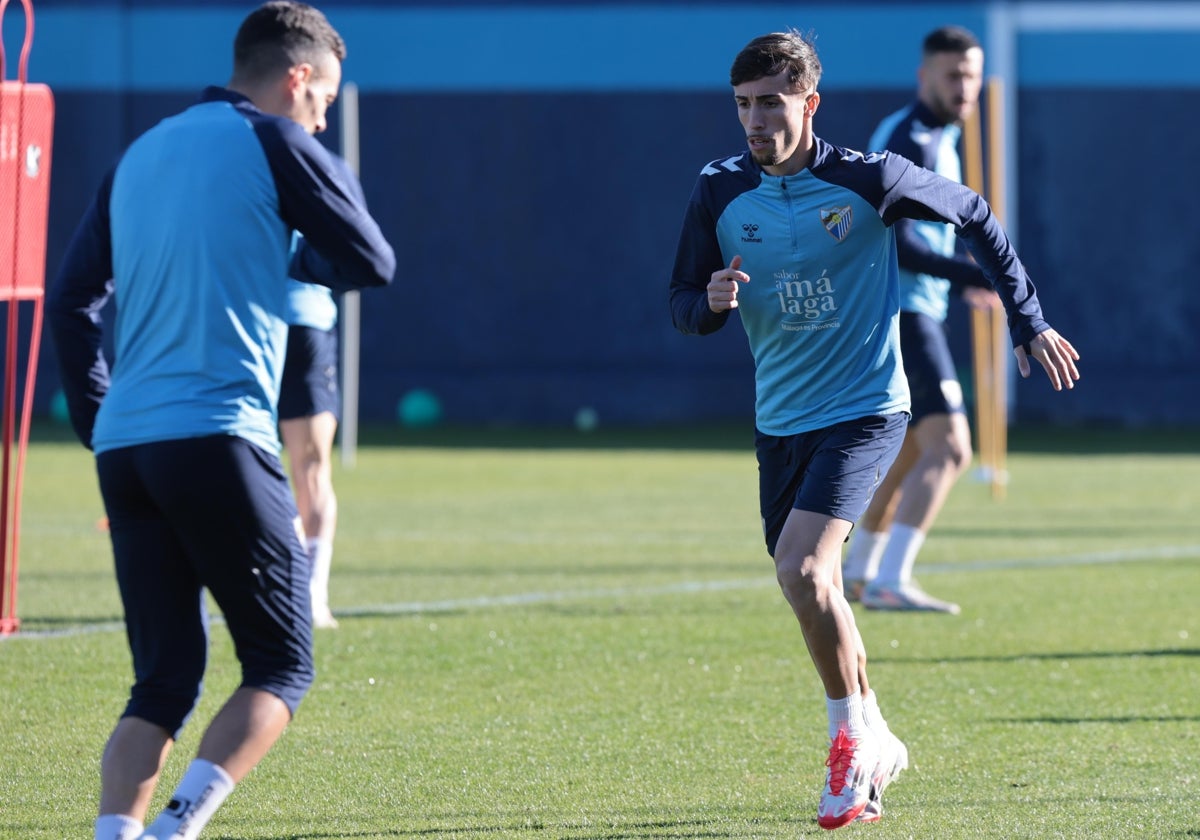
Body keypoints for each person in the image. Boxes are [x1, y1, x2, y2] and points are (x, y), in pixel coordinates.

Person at [668, 29, 1079, 829]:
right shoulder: (718, 190)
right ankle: (875, 735)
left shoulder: (869, 178)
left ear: (809, 104)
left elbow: (975, 215)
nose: (755, 121)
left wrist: (1026, 322)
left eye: (772, 104)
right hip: (780, 422)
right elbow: (681, 301)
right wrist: (709, 303)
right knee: (809, 588)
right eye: (744, 105)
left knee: (806, 573)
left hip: (865, 412)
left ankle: (849, 748)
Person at [46, 3, 396, 839]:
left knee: (161, 683)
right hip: (218, 433)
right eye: (321, 102)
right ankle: (173, 829)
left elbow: (71, 304)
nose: (319, 121)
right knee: (282, 664)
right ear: (298, 78)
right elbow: (371, 260)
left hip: (127, 448)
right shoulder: (276, 143)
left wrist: (101, 420)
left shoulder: (139, 152)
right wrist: (293, 246)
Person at [842, 25, 996, 614]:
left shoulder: (937, 136)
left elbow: (921, 239)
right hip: (902, 311)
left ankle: (860, 571)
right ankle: (890, 578)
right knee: (953, 448)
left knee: (910, 450)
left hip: (912, 307)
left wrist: (959, 283)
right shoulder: (914, 137)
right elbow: (902, 245)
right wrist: (977, 274)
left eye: (972, 77)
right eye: (953, 75)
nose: (964, 88)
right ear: (923, 76)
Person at [280, 235, 345, 631]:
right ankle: (304, 597)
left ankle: (307, 595)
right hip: (295, 321)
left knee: (304, 467)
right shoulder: (316, 174)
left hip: (283, 317)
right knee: (308, 467)